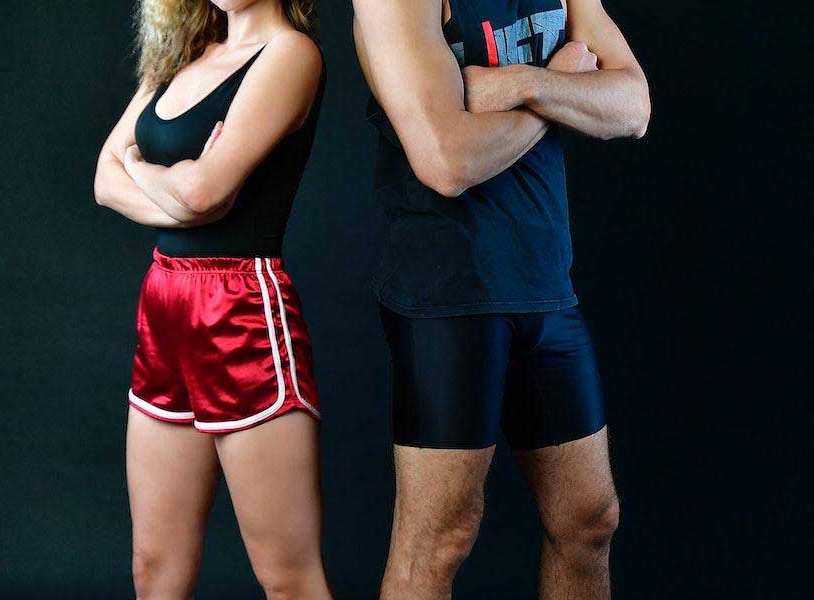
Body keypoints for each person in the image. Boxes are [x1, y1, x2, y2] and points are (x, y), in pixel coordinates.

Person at [353, 0, 649, 597]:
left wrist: (522, 83)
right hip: (448, 291)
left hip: (544, 283)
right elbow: (447, 160)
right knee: (441, 539)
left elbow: (634, 106)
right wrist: (564, 91)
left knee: (589, 522)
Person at [93, 1, 330, 598]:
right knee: (154, 567)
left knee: (287, 578)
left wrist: (141, 167)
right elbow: (105, 177)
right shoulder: (177, 56)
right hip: (164, 302)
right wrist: (171, 184)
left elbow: (205, 192)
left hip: (241, 308)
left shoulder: (289, 55)